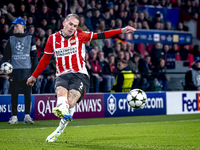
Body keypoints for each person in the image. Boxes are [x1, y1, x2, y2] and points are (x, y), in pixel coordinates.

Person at [26, 13, 136, 142]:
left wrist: (121, 30)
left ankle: (59, 128)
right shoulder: (52, 39)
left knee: (71, 102)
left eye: (75, 25)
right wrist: (34, 76)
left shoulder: (80, 35)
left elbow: (101, 35)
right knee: (61, 93)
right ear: (64, 23)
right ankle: (61, 109)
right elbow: (45, 59)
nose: (72, 27)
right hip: (62, 75)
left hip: (80, 75)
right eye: (71, 24)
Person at [4, 18, 38, 124]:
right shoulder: (11, 39)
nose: (15, 27)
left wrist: (34, 73)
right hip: (14, 71)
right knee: (14, 94)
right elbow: (6, 56)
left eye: (17, 25)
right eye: (14, 26)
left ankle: (27, 116)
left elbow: (35, 56)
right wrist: (2, 65)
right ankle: (14, 117)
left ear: (23, 26)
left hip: (27, 72)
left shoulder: (30, 38)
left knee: (27, 94)